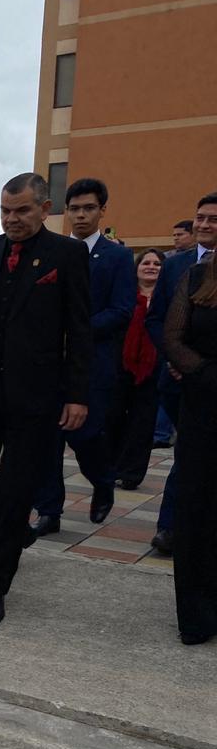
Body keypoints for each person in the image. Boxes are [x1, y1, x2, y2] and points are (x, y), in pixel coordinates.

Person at [0, 173, 92, 628]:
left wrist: (77, 394)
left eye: (21, 211)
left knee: (16, 490)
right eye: (5, 211)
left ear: (44, 208)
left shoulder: (67, 255)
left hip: (37, 395)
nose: (12, 219)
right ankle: (10, 539)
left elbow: (80, 328)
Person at [31, 178, 136, 537]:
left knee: (85, 435)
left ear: (102, 211)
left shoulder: (118, 256)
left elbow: (122, 310)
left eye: (88, 208)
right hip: (49, 363)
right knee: (46, 439)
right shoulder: (52, 251)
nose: (80, 215)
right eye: (74, 208)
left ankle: (102, 479)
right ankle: (49, 511)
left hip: (93, 362)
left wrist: (76, 331)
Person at [145, 192, 217, 555]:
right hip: (178, 379)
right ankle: (172, 527)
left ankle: (183, 527)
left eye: (212, 220)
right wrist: (176, 361)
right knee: (187, 455)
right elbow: (158, 318)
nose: (203, 225)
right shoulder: (177, 265)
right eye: (200, 217)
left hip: (206, 379)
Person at [162, 245, 217, 644]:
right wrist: (205, 376)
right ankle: (196, 614)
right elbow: (173, 337)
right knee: (195, 504)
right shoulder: (197, 277)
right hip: (203, 406)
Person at [107, 249, 164, 490]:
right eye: (146, 263)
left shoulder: (167, 298)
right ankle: (110, 468)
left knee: (143, 423)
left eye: (157, 264)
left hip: (154, 367)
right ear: (137, 267)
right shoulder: (126, 296)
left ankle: (132, 473)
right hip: (120, 364)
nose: (151, 267)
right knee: (114, 417)